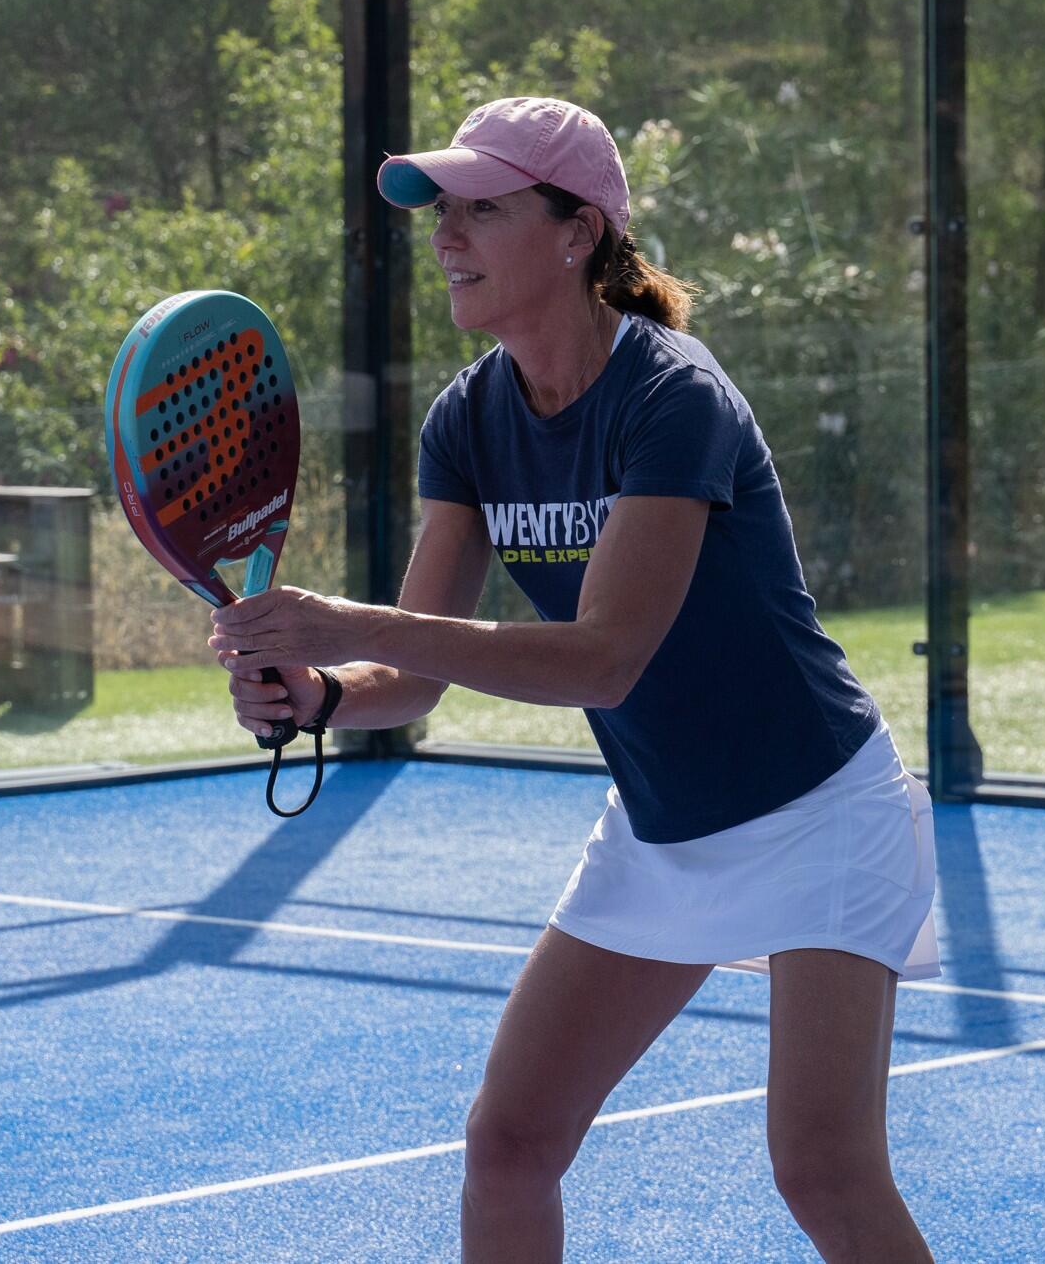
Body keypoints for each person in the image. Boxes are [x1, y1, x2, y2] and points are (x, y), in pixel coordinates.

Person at [208, 96, 938, 1264]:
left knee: (823, 1167)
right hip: (661, 827)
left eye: (482, 210)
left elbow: (604, 658)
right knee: (511, 1142)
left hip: (819, 814)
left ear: (575, 231)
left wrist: (338, 618)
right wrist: (328, 691)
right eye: (442, 212)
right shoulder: (470, 417)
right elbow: (413, 666)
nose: (447, 236)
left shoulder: (673, 397)